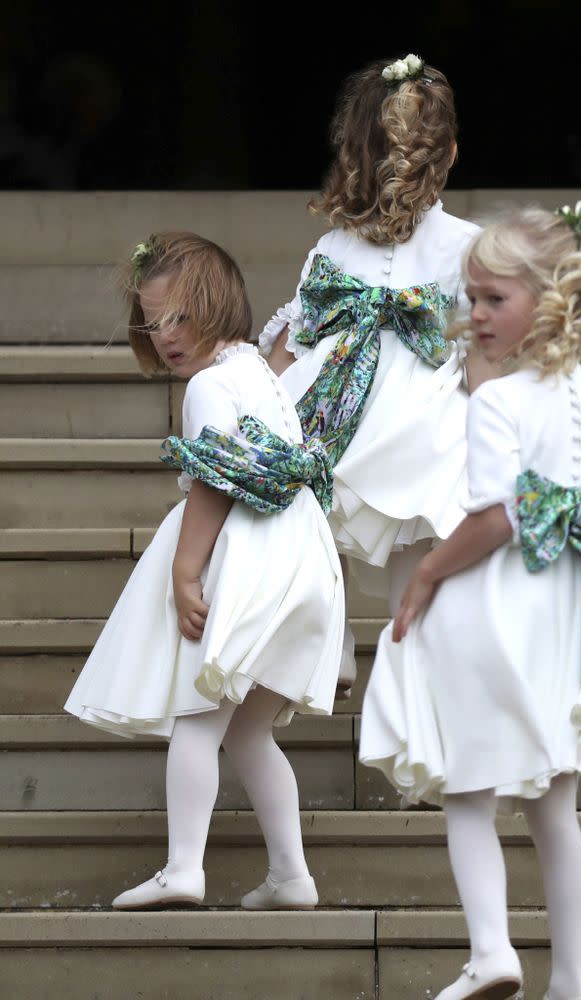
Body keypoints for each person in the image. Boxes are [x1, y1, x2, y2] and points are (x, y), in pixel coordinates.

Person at [359, 204, 581, 1000]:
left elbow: (497, 515)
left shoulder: (497, 402)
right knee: (554, 809)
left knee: (467, 790)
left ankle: (491, 949)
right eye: (470, 298)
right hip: (564, 627)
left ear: (547, 298)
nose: (474, 315)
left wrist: (427, 575)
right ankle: (571, 980)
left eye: (492, 299)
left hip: (490, 615)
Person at [64, 232, 344, 911]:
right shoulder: (257, 375)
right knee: (247, 730)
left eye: (179, 318)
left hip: (246, 557)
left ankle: (184, 866)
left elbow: (216, 482)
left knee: (197, 713)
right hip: (300, 560)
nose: (166, 336)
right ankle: (290, 874)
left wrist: (186, 572)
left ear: (218, 306)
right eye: (153, 322)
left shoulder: (212, 387)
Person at [259, 53, 488, 696]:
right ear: (449, 155)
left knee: (314, 510)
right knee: (416, 544)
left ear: (352, 154)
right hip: (424, 431)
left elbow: (294, 342)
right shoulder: (470, 246)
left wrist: (261, 410)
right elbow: (486, 346)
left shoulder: (333, 249)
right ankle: (408, 679)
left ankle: (330, 646)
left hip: (340, 418)